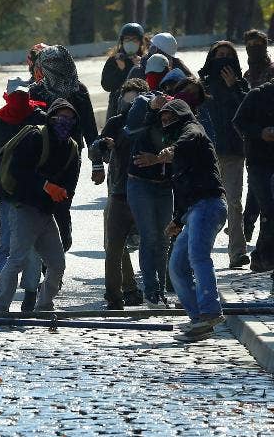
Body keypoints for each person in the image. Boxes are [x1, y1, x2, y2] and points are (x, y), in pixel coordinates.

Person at [138, 99, 228, 341]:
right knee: (177, 266)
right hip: (193, 210)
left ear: (182, 115)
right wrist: (177, 219)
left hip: (209, 205)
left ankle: (210, 311)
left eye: (170, 118)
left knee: (198, 256)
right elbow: (182, 188)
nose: (166, 122)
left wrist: (168, 154)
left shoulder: (193, 131)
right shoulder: (177, 143)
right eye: (163, 119)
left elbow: (186, 142)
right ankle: (199, 321)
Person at [0, 99, 81, 312]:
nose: (65, 122)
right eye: (61, 117)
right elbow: (18, 170)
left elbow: (67, 192)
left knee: (57, 264)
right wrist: (46, 185)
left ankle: (44, 306)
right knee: (17, 260)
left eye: (70, 118)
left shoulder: (71, 148)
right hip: (24, 207)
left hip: (46, 214)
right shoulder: (35, 137)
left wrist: (65, 229)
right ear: (51, 118)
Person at [0, 78, 49, 310]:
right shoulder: (0, 120)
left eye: (22, 95)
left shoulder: (39, 118)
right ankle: (2, 294)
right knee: (6, 243)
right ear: (7, 95)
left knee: (31, 246)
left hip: (33, 192)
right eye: (15, 95)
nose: (18, 100)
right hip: (7, 191)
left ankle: (31, 293)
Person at [89, 78, 150, 309]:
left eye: (135, 101)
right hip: (119, 192)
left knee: (156, 243)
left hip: (149, 192)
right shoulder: (115, 122)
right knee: (113, 245)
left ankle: (157, 291)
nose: (130, 106)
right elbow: (97, 147)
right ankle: (119, 294)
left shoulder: (152, 123)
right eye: (127, 100)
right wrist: (100, 156)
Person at [198, 42, 249, 268]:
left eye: (229, 56)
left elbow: (249, 111)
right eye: (220, 55)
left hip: (232, 151)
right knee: (203, 204)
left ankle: (237, 252)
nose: (224, 59)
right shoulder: (202, 85)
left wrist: (234, 87)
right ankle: (199, 252)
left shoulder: (241, 85)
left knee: (234, 202)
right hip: (204, 152)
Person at [125, 76, 175, 306]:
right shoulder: (143, 102)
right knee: (149, 237)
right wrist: (151, 108)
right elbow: (132, 129)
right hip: (140, 183)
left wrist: (159, 159)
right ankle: (151, 290)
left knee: (164, 237)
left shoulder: (179, 108)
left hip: (165, 185)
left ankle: (161, 289)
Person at [232, 79, 274, 274]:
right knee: (268, 207)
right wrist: (260, 132)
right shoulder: (257, 95)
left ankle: (263, 256)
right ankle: (261, 256)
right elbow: (238, 122)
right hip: (259, 161)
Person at [101, 22, 146, 119]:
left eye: (134, 39)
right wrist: (121, 70)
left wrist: (141, 66)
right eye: (127, 39)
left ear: (140, 42)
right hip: (117, 107)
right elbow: (106, 85)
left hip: (140, 106)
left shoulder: (145, 60)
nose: (130, 42)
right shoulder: (114, 60)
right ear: (122, 41)